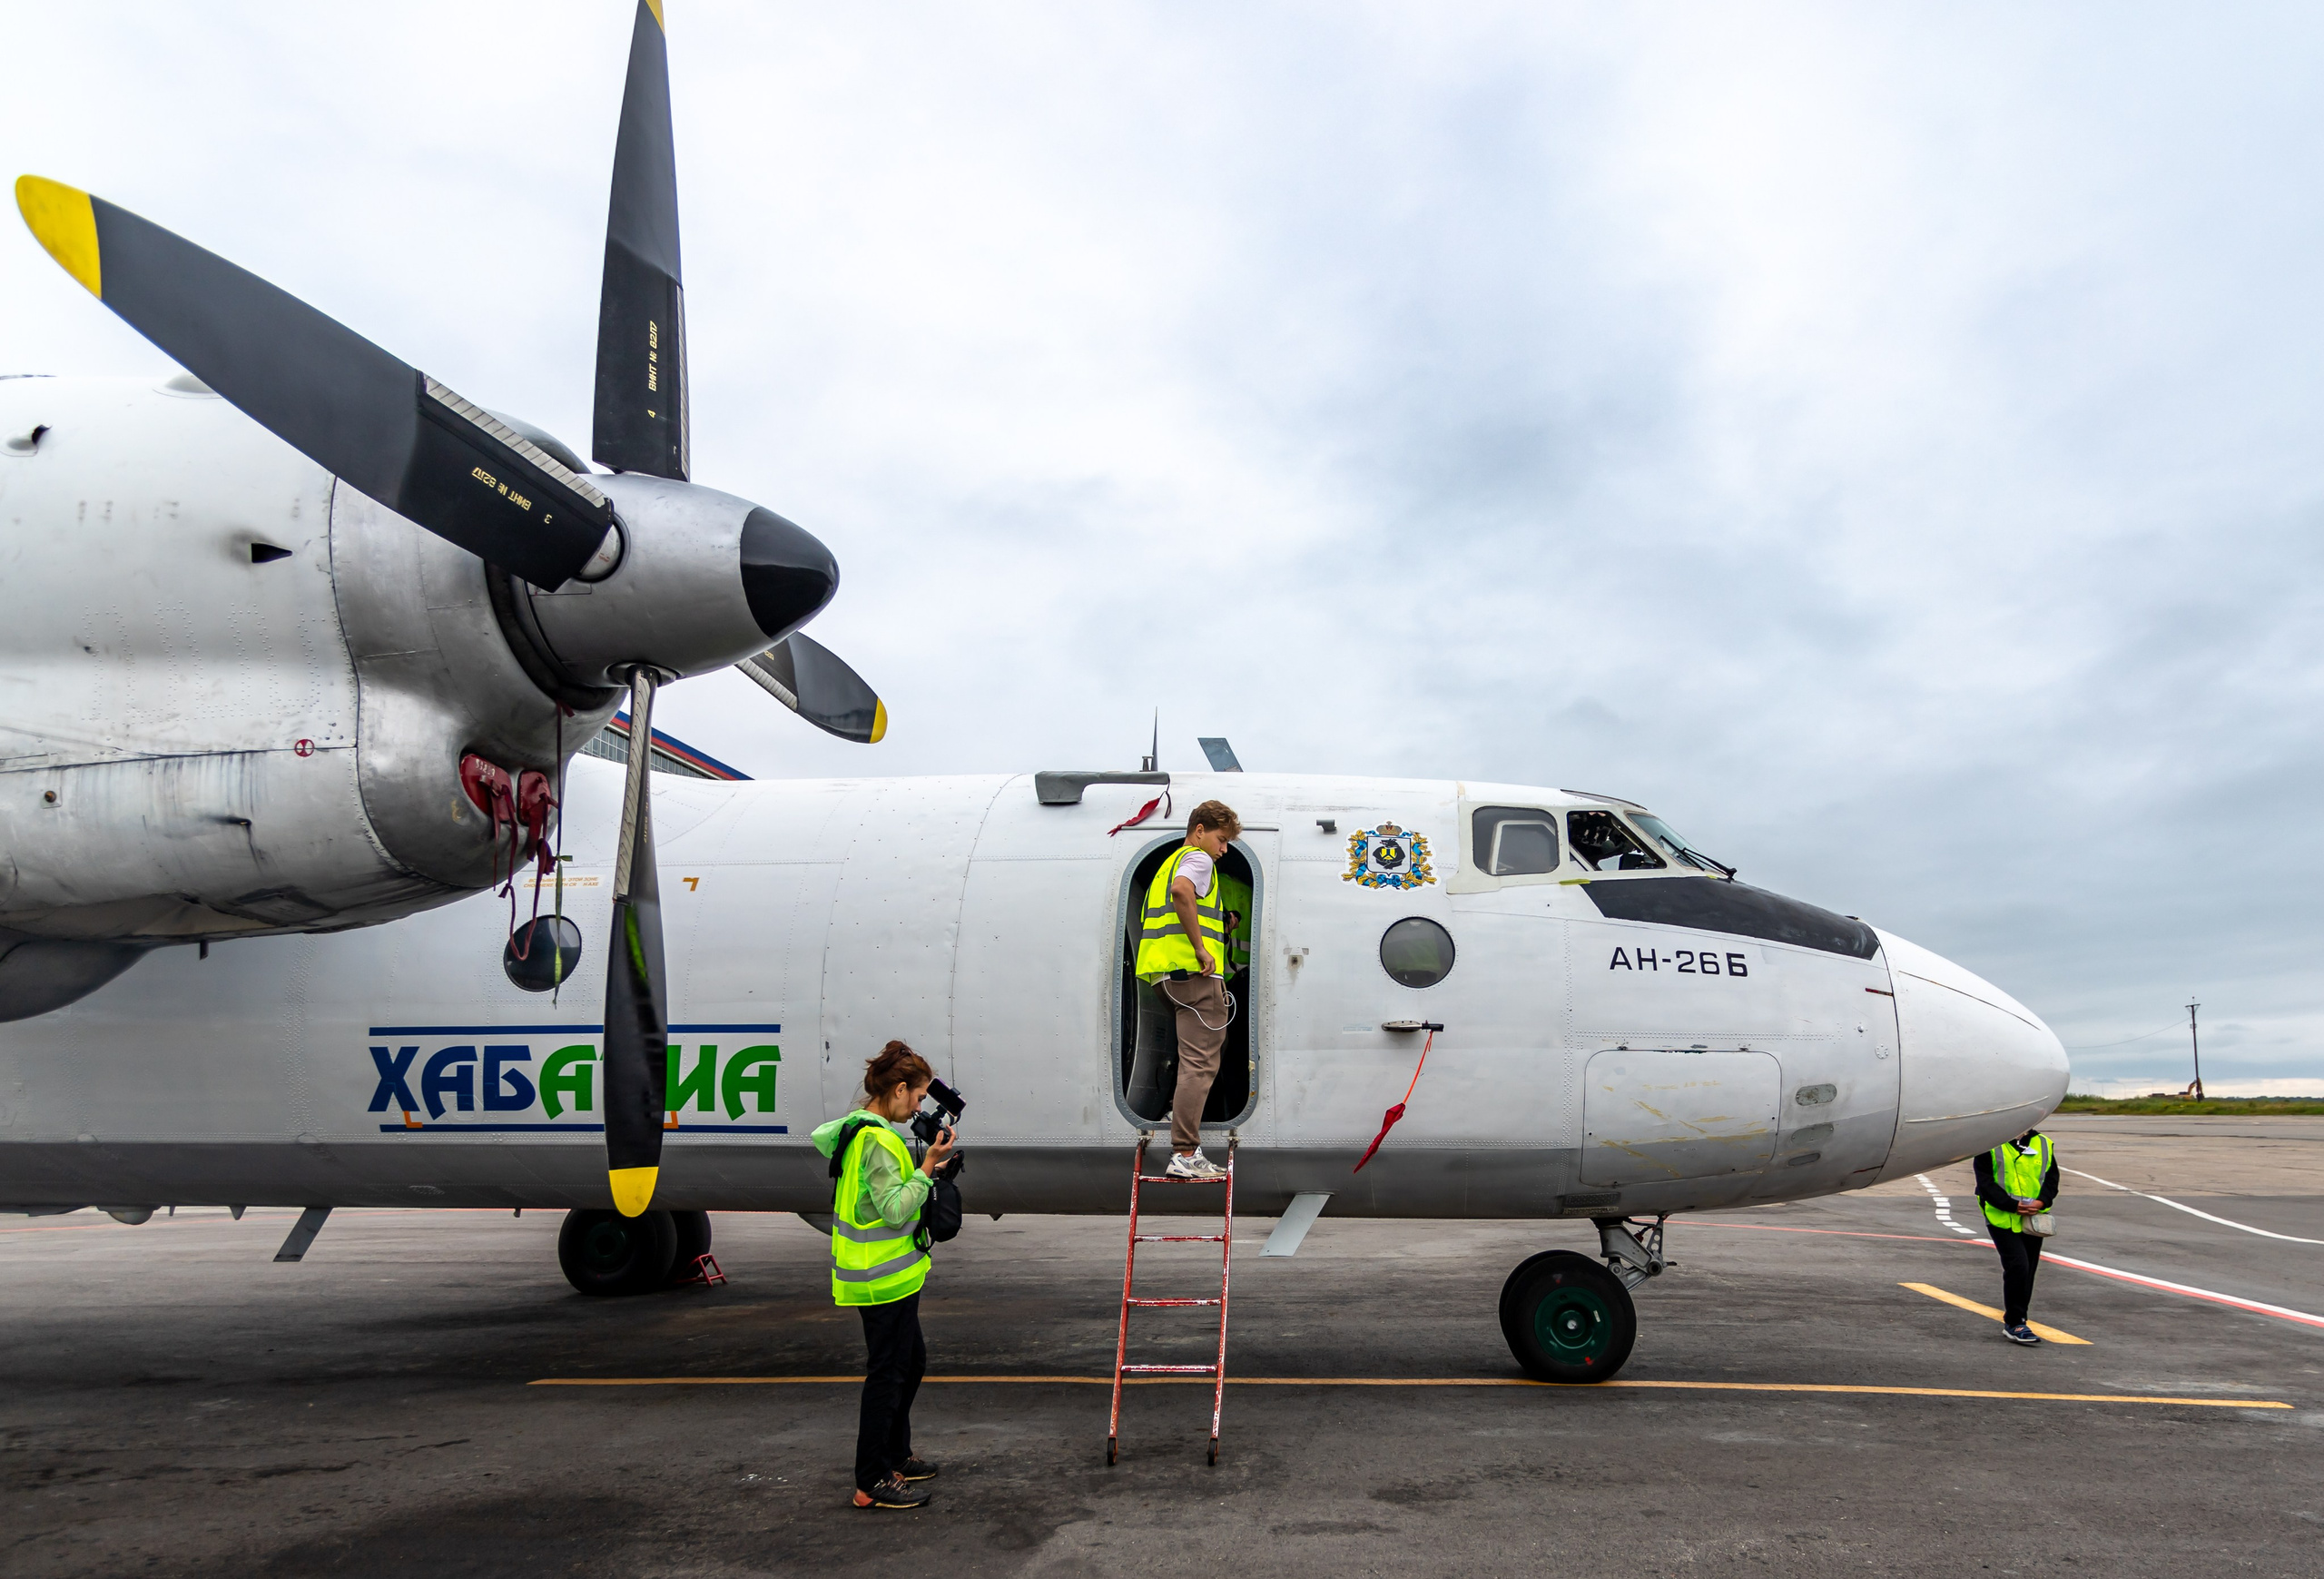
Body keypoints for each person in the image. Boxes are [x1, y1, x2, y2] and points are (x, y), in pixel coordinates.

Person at [812, 1041, 958, 1509]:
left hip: (885, 1276)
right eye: (917, 1098)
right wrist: (929, 1170)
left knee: (909, 1363)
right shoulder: (878, 1141)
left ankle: (895, 1455)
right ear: (898, 1090)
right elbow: (896, 1210)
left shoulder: (861, 1131)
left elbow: (883, 1199)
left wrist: (919, 1170)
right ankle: (871, 1478)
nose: (919, 1107)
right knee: (888, 1374)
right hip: (880, 1278)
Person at [1134, 799, 1242, 1179]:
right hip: (1195, 979)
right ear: (1200, 831)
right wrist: (1200, 948)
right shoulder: (1197, 860)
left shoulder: (1170, 862)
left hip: (1167, 977)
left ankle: (1178, 1118)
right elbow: (1183, 893)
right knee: (1201, 1064)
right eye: (1222, 839)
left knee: (1199, 1056)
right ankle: (1185, 1152)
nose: (1224, 849)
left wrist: (1214, 931)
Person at [1975, 1126, 2059, 1345]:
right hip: (2002, 1217)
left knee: (2028, 1269)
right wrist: (2011, 1205)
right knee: (2018, 1265)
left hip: (2032, 1219)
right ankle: (2014, 1322)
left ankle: (2020, 1318)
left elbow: (2051, 1180)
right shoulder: (1989, 1143)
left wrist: (2043, 1202)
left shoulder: (2043, 1143)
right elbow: (1985, 1184)